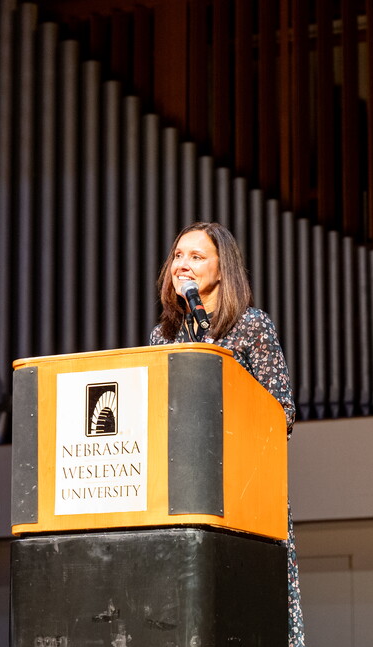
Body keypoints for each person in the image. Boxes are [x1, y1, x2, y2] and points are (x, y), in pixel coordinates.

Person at [149, 221, 305, 647]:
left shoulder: (251, 325)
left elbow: (282, 413)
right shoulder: (163, 337)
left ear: (223, 269)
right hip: (181, 494)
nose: (183, 264)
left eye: (197, 257)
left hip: (244, 492)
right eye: (178, 255)